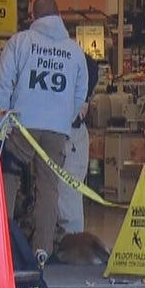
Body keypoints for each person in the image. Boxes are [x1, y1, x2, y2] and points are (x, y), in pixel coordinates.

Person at [0, 0, 89, 263]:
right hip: (56, 130)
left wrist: (4, 112)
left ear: (33, 16)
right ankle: (42, 250)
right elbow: (81, 91)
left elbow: (3, 79)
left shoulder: (21, 42)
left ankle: (2, 243)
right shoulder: (74, 50)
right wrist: (65, 117)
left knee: (8, 176)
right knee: (49, 187)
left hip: (23, 125)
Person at [57, 53, 100, 237]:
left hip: (71, 138)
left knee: (68, 197)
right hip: (70, 136)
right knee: (63, 196)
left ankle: (72, 241)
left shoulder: (75, 61)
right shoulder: (75, 59)